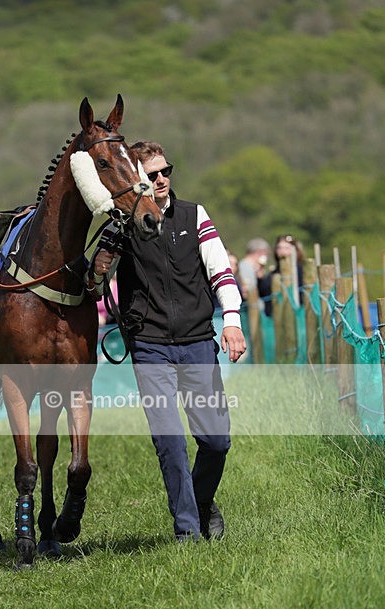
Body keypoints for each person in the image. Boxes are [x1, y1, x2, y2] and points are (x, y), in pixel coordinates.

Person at [88, 140, 246, 543]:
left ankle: (202, 502)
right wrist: (99, 265)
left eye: (165, 171)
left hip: (197, 341)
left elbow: (221, 272)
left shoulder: (195, 215)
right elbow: (94, 279)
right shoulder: (123, 224)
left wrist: (231, 321)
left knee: (216, 441)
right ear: (137, 179)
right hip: (150, 345)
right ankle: (188, 531)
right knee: (170, 440)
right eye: (152, 174)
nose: (161, 179)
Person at [258, 234, 305, 317]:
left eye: (286, 248)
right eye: (279, 248)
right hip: (275, 317)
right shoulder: (274, 272)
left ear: (295, 250)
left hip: (296, 315)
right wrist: (260, 279)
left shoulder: (301, 270)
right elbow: (264, 293)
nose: (282, 251)